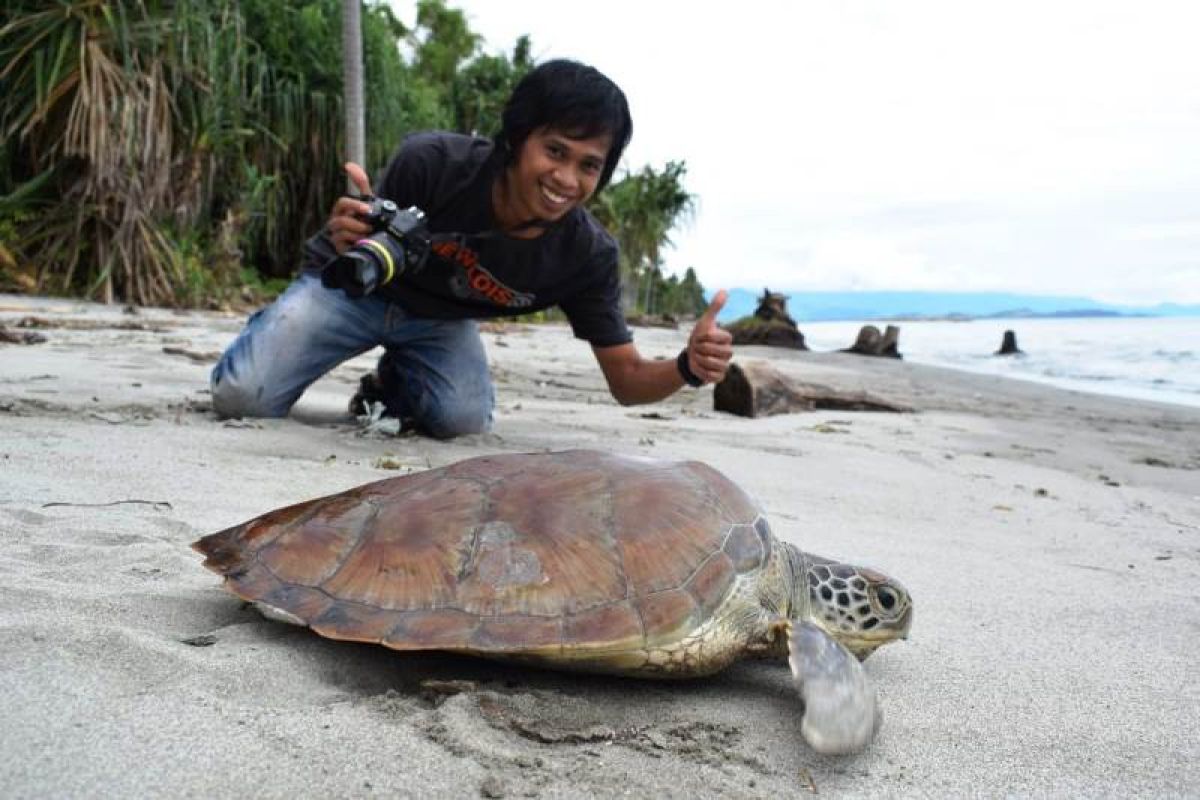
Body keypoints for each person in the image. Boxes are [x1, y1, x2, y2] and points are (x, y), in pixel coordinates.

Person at [210, 59, 733, 438]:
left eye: (588, 165)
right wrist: (353, 228)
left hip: (439, 322)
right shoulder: (433, 163)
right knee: (241, 398)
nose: (566, 179)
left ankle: (389, 386)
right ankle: (271, 329)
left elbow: (626, 380)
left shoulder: (586, 256)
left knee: (462, 421)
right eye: (554, 151)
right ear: (517, 139)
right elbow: (366, 234)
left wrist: (687, 366)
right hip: (354, 291)